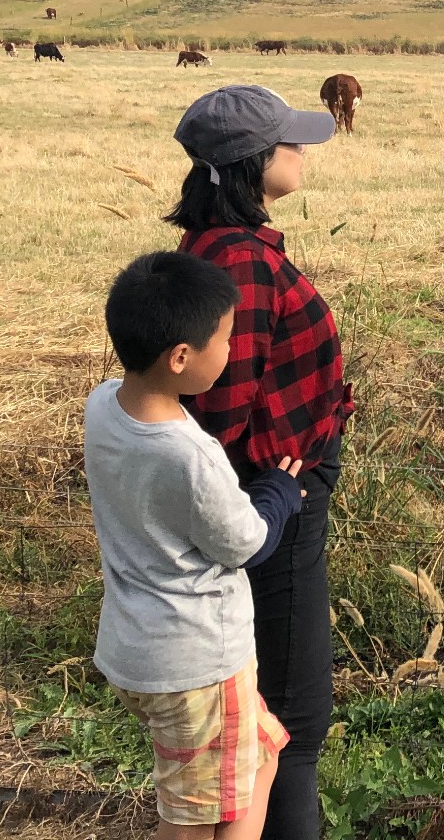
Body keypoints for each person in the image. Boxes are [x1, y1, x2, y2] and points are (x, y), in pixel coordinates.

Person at [166, 85, 351, 840]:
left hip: (272, 495)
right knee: (295, 719)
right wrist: (278, 491)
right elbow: (220, 412)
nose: (303, 151)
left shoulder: (218, 247)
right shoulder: (240, 263)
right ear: (252, 164)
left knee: (275, 712)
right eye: (289, 142)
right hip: (277, 500)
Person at [86, 251, 306, 840]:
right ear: (181, 358)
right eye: (226, 339)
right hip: (198, 665)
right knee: (190, 817)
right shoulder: (191, 455)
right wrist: (280, 492)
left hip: (139, 647)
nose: (233, 350)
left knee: (262, 752)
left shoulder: (103, 406)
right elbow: (246, 543)